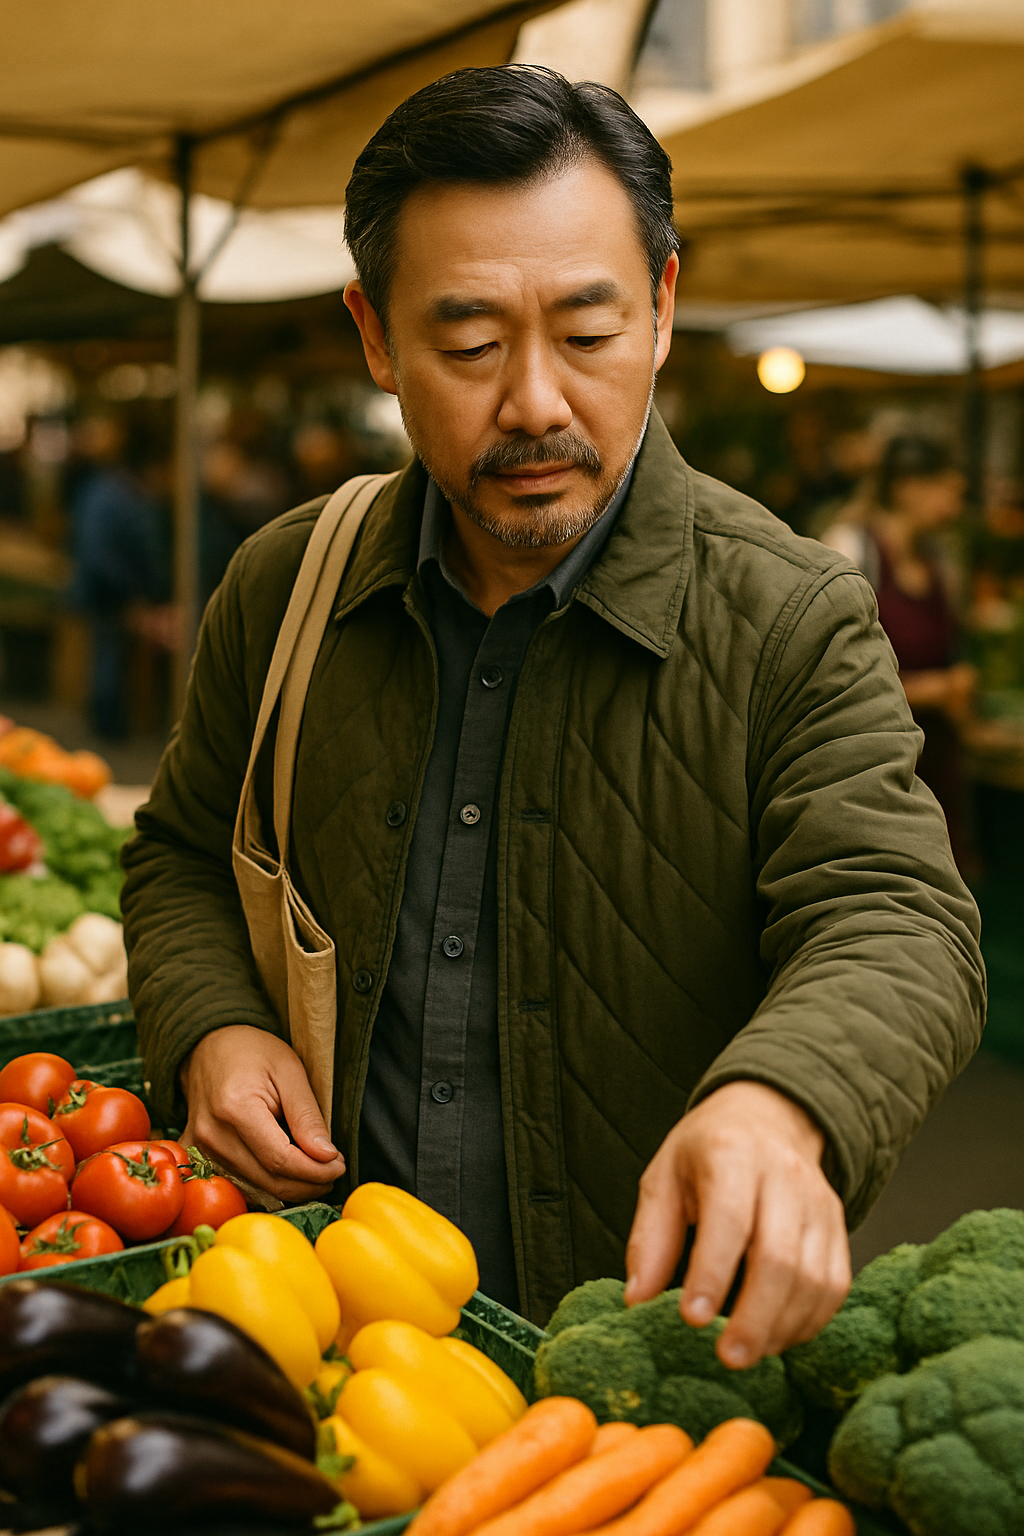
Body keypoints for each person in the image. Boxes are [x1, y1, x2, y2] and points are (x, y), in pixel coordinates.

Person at [122, 68, 984, 1365]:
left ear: (663, 308)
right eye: (469, 344)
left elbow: (899, 916)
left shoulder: (793, 616)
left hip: (645, 1383)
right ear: (374, 334)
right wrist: (215, 1022)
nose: (534, 401)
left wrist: (780, 1100)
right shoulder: (286, 586)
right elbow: (182, 854)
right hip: (325, 1350)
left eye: (588, 333)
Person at [820, 436, 976, 870]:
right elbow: (826, 674)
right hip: (872, 770)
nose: (956, 504)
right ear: (909, 487)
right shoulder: (851, 550)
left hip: (935, 763)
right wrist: (926, 690)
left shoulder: (939, 558)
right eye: (949, 489)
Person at [67, 413, 169, 740]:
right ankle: (109, 722)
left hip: (99, 587)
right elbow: (103, 552)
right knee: (109, 658)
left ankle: (108, 719)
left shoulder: (97, 489)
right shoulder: (120, 496)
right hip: (109, 590)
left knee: (107, 655)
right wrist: (132, 590)